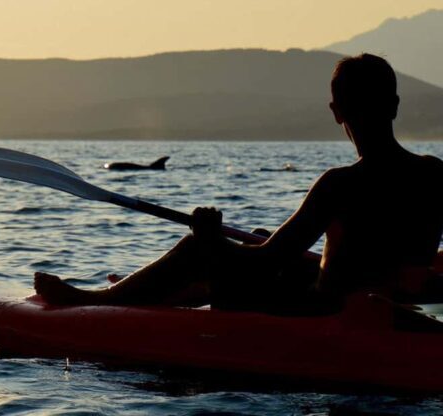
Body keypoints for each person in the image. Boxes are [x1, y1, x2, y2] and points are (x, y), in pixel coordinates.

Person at [34, 54, 443, 313]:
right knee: (261, 235)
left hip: (327, 310)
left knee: (199, 250)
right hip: (393, 304)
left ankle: (96, 302)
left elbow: (267, 263)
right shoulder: (434, 173)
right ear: (394, 106)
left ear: (336, 112)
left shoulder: (340, 184)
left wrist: (211, 240)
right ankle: (167, 289)